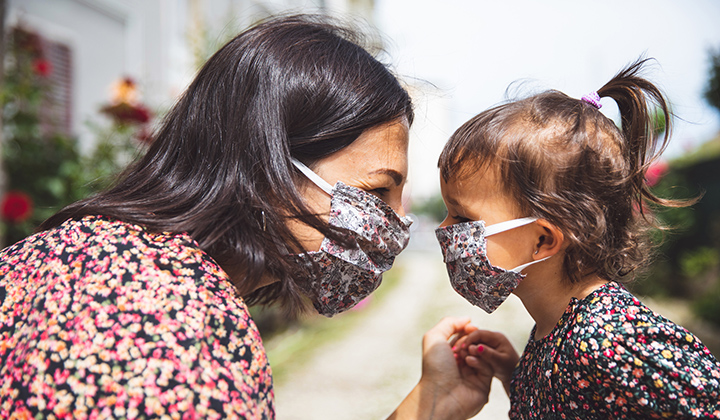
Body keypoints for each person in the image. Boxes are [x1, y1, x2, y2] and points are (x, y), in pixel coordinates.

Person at [0, 14, 489, 420]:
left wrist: (429, 407)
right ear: (266, 165)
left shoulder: (81, 253)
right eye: (378, 190)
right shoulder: (177, 341)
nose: (398, 224)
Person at [435, 58, 720, 418]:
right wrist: (517, 377)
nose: (445, 230)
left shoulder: (612, 340)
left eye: (461, 216)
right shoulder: (555, 328)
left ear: (543, 240)